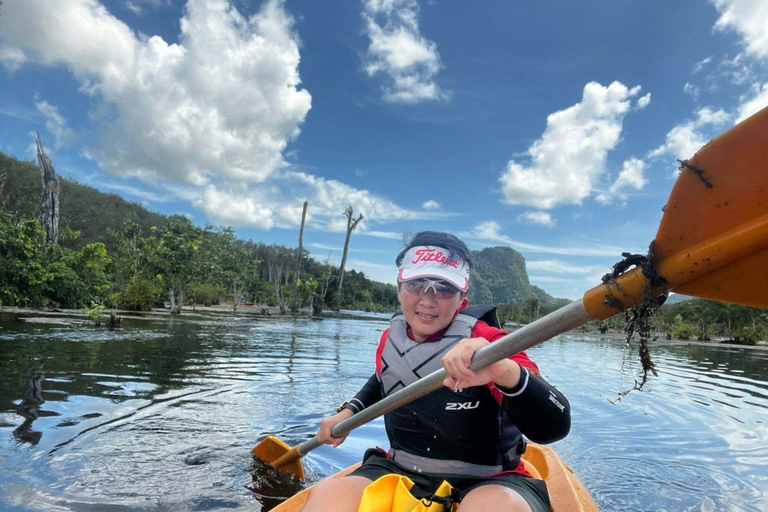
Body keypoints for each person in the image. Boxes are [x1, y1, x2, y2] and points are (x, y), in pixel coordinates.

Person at [300, 232, 570, 512]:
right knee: (327, 493)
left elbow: (554, 426)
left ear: (462, 297)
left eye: (444, 287)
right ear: (399, 286)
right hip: (399, 469)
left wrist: (500, 369)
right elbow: (383, 380)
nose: (428, 301)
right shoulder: (389, 339)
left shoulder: (490, 342)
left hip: (489, 480)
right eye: (416, 284)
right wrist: (348, 412)